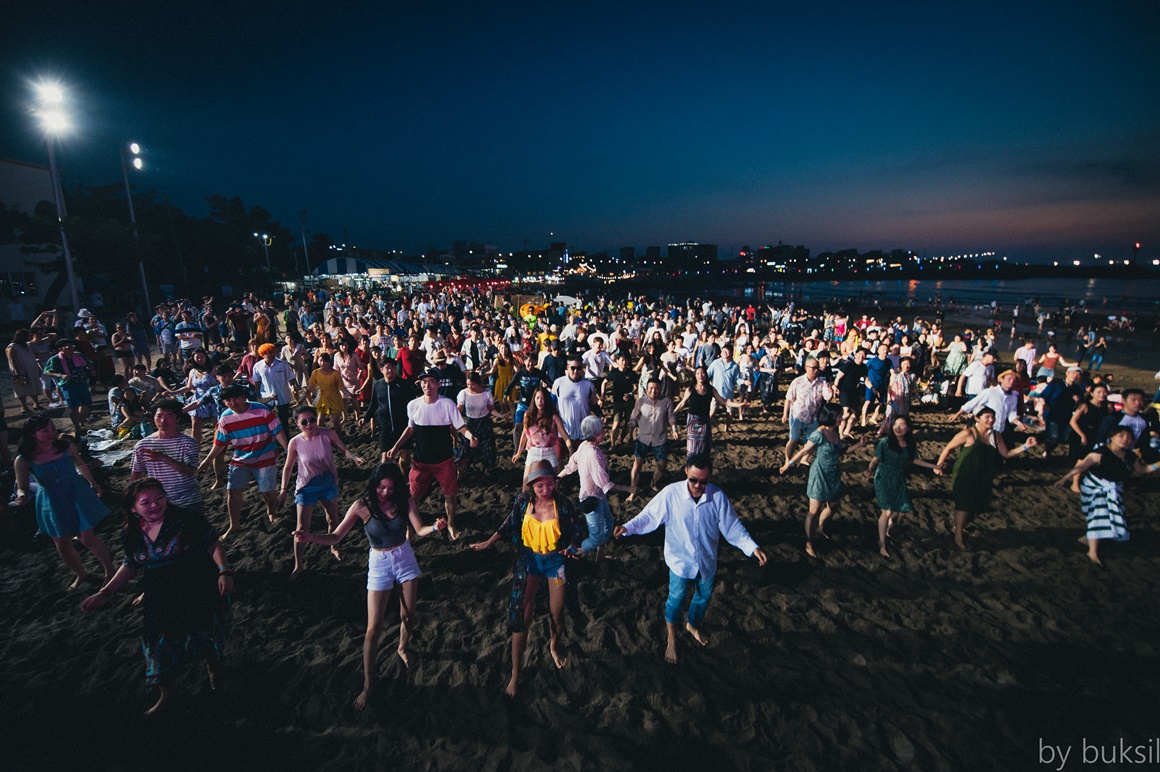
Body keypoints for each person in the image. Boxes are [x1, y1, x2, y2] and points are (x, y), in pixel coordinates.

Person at [295, 464, 446, 708]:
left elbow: (418, 529)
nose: (385, 492)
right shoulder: (361, 506)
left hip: (404, 556)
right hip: (379, 561)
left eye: (390, 488)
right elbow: (335, 537)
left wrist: (434, 528)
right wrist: (310, 537)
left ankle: (402, 647)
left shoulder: (405, 501)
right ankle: (368, 684)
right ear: (374, 485)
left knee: (409, 616)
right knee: (372, 629)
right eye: (381, 487)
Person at [80, 478, 233, 714]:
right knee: (157, 641)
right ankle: (167, 694)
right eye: (146, 502)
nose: (154, 505)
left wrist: (224, 571)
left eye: (159, 498)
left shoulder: (186, 519)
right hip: (159, 593)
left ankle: (214, 668)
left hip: (197, 584)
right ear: (133, 508)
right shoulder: (130, 533)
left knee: (205, 630)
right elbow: (131, 564)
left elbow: (212, 543)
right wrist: (106, 592)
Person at [614, 454, 767, 665]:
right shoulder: (670, 494)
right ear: (686, 471)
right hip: (679, 562)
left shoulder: (717, 497)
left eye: (703, 481)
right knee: (675, 601)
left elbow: (732, 527)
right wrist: (628, 527)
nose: (698, 485)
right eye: (693, 479)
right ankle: (671, 639)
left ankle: (693, 625)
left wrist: (752, 548)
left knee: (703, 598)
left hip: (706, 562)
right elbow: (649, 516)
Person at [469, 461, 584, 697]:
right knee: (522, 614)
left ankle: (554, 645)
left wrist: (571, 546)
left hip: (555, 562)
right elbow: (509, 523)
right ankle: (516, 673)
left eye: (549, 483)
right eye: (540, 485)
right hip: (529, 560)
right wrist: (488, 542)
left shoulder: (563, 505)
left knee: (557, 612)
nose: (545, 489)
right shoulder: (523, 502)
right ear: (531, 486)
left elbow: (578, 529)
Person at [13, 414, 114, 588]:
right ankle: (81, 573)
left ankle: (110, 571)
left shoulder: (67, 447)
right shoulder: (24, 459)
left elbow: (81, 464)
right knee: (62, 542)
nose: (52, 432)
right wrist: (21, 495)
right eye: (45, 430)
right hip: (51, 501)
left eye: (53, 428)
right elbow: (22, 486)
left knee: (87, 537)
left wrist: (94, 484)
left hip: (77, 494)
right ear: (32, 434)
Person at [386, 369, 478, 540]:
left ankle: (450, 524)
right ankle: (411, 528)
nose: (427, 385)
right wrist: (396, 447)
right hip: (420, 461)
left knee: (450, 495)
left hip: (444, 460)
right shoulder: (413, 405)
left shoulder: (447, 404)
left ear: (438, 384)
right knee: (414, 497)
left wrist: (470, 436)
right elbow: (410, 428)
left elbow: (460, 426)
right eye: (423, 382)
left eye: (430, 382)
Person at [279, 405, 365, 578]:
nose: (309, 424)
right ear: (297, 423)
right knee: (302, 528)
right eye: (304, 422)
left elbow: (343, 450)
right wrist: (283, 490)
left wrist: (354, 456)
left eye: (312, 420)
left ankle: (334, 546)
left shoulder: (327, 434)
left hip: (328, 481)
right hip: (306, 485)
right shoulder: (295, 442)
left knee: (333, 517)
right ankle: (299, 564)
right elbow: (287, 467)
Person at [934, 406, 1038, 549]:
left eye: (992, 417)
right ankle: (958, 536)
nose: (991, 420)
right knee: (964, 505)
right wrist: (938, 466)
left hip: (984, 475)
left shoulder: (995, 435)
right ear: (977, 418)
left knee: (978, 506)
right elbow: (948, 448)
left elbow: (1006, 454)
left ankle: (959, 526)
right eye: (987, 417)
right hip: (964, 474)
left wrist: (1026, 446)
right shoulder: (968, 433)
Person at [1054, 426, 1159, 565]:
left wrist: (1158, 465)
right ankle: (1092, 552)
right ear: (1112, 437)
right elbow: (1081, 467)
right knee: (1099, 515)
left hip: (1114, 489)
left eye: (1129, 437)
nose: (1125, 440)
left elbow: (1143, 470)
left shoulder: (1129, 456)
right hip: (1094, 488)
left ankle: (1087, 538)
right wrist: (1065, 478)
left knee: (1109, 516)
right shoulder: (1100, 453)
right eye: (1121, 436)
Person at [196, 384, 289, 540]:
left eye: (236, 398)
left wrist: (288, 449)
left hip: (265, 456)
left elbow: (277, 431)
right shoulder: (225, 418)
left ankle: (271, 512)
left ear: (243, 397)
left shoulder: (262, 410)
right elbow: (219, 443)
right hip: (241, 458)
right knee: (233, 490)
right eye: (228, 400)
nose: (233, 403)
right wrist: (207, 461)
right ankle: (234, 525)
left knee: (268, 492)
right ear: (224, 402)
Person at [779, 405, 869, 558]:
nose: (843, 418)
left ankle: (821, 527)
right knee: (813, 511)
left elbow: (841, 451)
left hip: (833, 473)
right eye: (840, 416)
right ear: (832, 417)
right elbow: (804, 450)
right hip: (819, 474)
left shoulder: (834, 431)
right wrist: (789, 464)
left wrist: (860, 445)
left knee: (833, 506)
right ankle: (809, 542)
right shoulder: (819, 434)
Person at [558, 415, 635, 559]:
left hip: (598, 496)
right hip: (591, 500)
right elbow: (606, 484)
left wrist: (557, 477)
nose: (604, 432)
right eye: (602, 431)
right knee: (596, 538)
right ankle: (574, 550)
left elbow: (570, 466)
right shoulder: (594, 455)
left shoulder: (583, 445)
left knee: (608, 526)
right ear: (594, 435)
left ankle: (600, 556)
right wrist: (628, 489)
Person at [865, 416, 938, 558]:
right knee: (886, 512)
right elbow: (875, 460)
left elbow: (915, 460)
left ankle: (888, 530)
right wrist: (870, 469)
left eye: (902, 425)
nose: (898, 427)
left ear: (908, 428)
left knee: (902, 511)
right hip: (883, 477)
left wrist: (936, 466)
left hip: (898, 477)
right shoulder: (885, 443)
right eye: (895, 424)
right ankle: (881, 543)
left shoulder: (910, 444)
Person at [129, 399, 204, 512]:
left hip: (187, 499)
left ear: (178, 419)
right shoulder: (143, 445)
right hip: (158, 502)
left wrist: (164, 458)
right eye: (159, 416)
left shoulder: (188, 442)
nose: (163, 421)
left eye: (169, 416)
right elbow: (136, 474)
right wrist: (132, 499)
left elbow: (190, 472)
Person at [629, 377, 679, 495]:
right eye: (651, 388)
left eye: (656, 388)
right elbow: (633, 419)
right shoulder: (640, 401)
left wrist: (674, 430)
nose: (653, 391)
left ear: (661, 389)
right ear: (647, 389)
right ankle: (632, 489)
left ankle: (653, 483)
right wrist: (630, 434)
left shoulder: (667, 401)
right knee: (637, 463)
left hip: (659, 439)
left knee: (662, 466)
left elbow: (671, 417)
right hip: (643, 438)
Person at [361, 357, 414, 467]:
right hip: (385, 427)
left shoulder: (403, 384)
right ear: (381, 369)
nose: (390, 370)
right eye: (387, 368)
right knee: (385, 459)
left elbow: (412, 402)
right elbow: (374, 403)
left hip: (402, 425)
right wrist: (366, 418)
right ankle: (389, 481)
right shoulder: (378, 385)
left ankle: (403, 480)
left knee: (405, 456)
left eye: (393, 367)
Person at [781, 356, 834, 464]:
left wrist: (831, 389)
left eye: (817, 368)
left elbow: (827, 397)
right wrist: (785, 414)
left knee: (812, 441)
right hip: (797, 415)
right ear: (806, 368)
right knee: (793, 439)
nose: (816, 370)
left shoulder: (822, 383)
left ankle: (804, 459)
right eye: (813, 368)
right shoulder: (797, 381)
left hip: (813, 416)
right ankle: (787, 460)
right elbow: (789, 398)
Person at [512, 386, 570, 480]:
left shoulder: (553, 417)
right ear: (534, 399)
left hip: (549, 453)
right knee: (526, 486)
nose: (540, 401)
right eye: (538, 398)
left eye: (542, 398)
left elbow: (565, 436)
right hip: (533, 453)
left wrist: (571, 450)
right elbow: (524, 435)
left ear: (546, 400)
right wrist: (518, 453)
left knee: (552, 484)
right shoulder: (528, 415)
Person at [43, 339, 95, 436]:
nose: (71, 349)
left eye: (72, 347)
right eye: (68, 347)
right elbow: (47, 371)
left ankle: (82, 421)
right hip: (68, 385)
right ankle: (77, 427)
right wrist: (60, 375)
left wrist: (91, 370)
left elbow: (88, 363)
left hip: (81, 382)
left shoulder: (78, 355)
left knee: (85, 404)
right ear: (61, 348)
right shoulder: (55, 359)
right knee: (74, 407)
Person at [456, 371, 502, 477]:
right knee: (465, 448)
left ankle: (487, 469)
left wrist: (500, 416)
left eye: (473, 384)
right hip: (470, 423)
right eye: (468, 384)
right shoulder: (463, 393)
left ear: (478, 383)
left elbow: (491, 409)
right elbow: (459, 409)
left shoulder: (486, 394)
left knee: (487, 448)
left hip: (484, 422)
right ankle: (460, 472)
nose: (470, 387)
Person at [553, 356, 600, 443]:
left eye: (578, 368)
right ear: (567, 368)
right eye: (573, 368)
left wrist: (601, 415)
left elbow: (593, 404)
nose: (576, 371)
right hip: (563, 432)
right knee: (559, 456)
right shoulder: (558, 383)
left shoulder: (589, 385)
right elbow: (551, 404)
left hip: (582, 433)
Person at [251, 342, 297, 430]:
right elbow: (257, 381)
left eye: (273, 352)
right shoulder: (258, 366)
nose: (272, 354)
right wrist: (257, 394)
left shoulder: (283, 365)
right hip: (266, 396)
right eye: (269, 352)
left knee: (284, 420)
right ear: (263, 354)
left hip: (282, 395)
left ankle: (285, 439)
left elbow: (290, 377)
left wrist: (293, 387)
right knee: (265, 418)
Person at [306, 352, 349, 426]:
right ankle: (322, 437)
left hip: (334, 399)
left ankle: (338, 437)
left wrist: (350, 396)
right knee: (320, 422)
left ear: (329, 362)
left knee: (335, 422)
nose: (323, 363)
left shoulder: (335, 374)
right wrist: (303, 399)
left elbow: (341, 388)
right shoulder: (316, 373)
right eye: (321, 361)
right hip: (323, 399)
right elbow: (309, 388)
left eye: (325, 361)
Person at [7, 329, 45, 412]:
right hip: (20, 369)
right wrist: (16, 371)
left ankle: (36, 404)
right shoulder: (13, 346)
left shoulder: (28, 345)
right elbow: (11, 359)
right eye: (28, 335)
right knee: (21, 388)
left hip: (31, 368)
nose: (30, 337)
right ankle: (24, 407)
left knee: (33, 385)